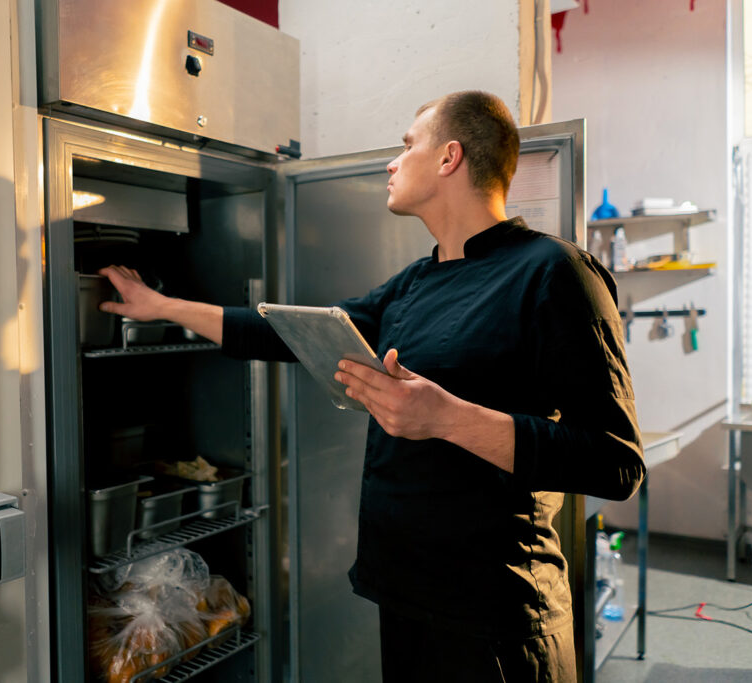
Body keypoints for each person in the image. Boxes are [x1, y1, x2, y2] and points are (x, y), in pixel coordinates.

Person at [98, 90, 644, 682]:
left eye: (407, 146)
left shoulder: (554, 272)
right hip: (404, 597)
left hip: (496, 615)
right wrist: (162, 306)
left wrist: (445, 418)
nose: (392, 161)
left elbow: (614, 463)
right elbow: (287, 332)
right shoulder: (414, 283)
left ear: (449, 158)